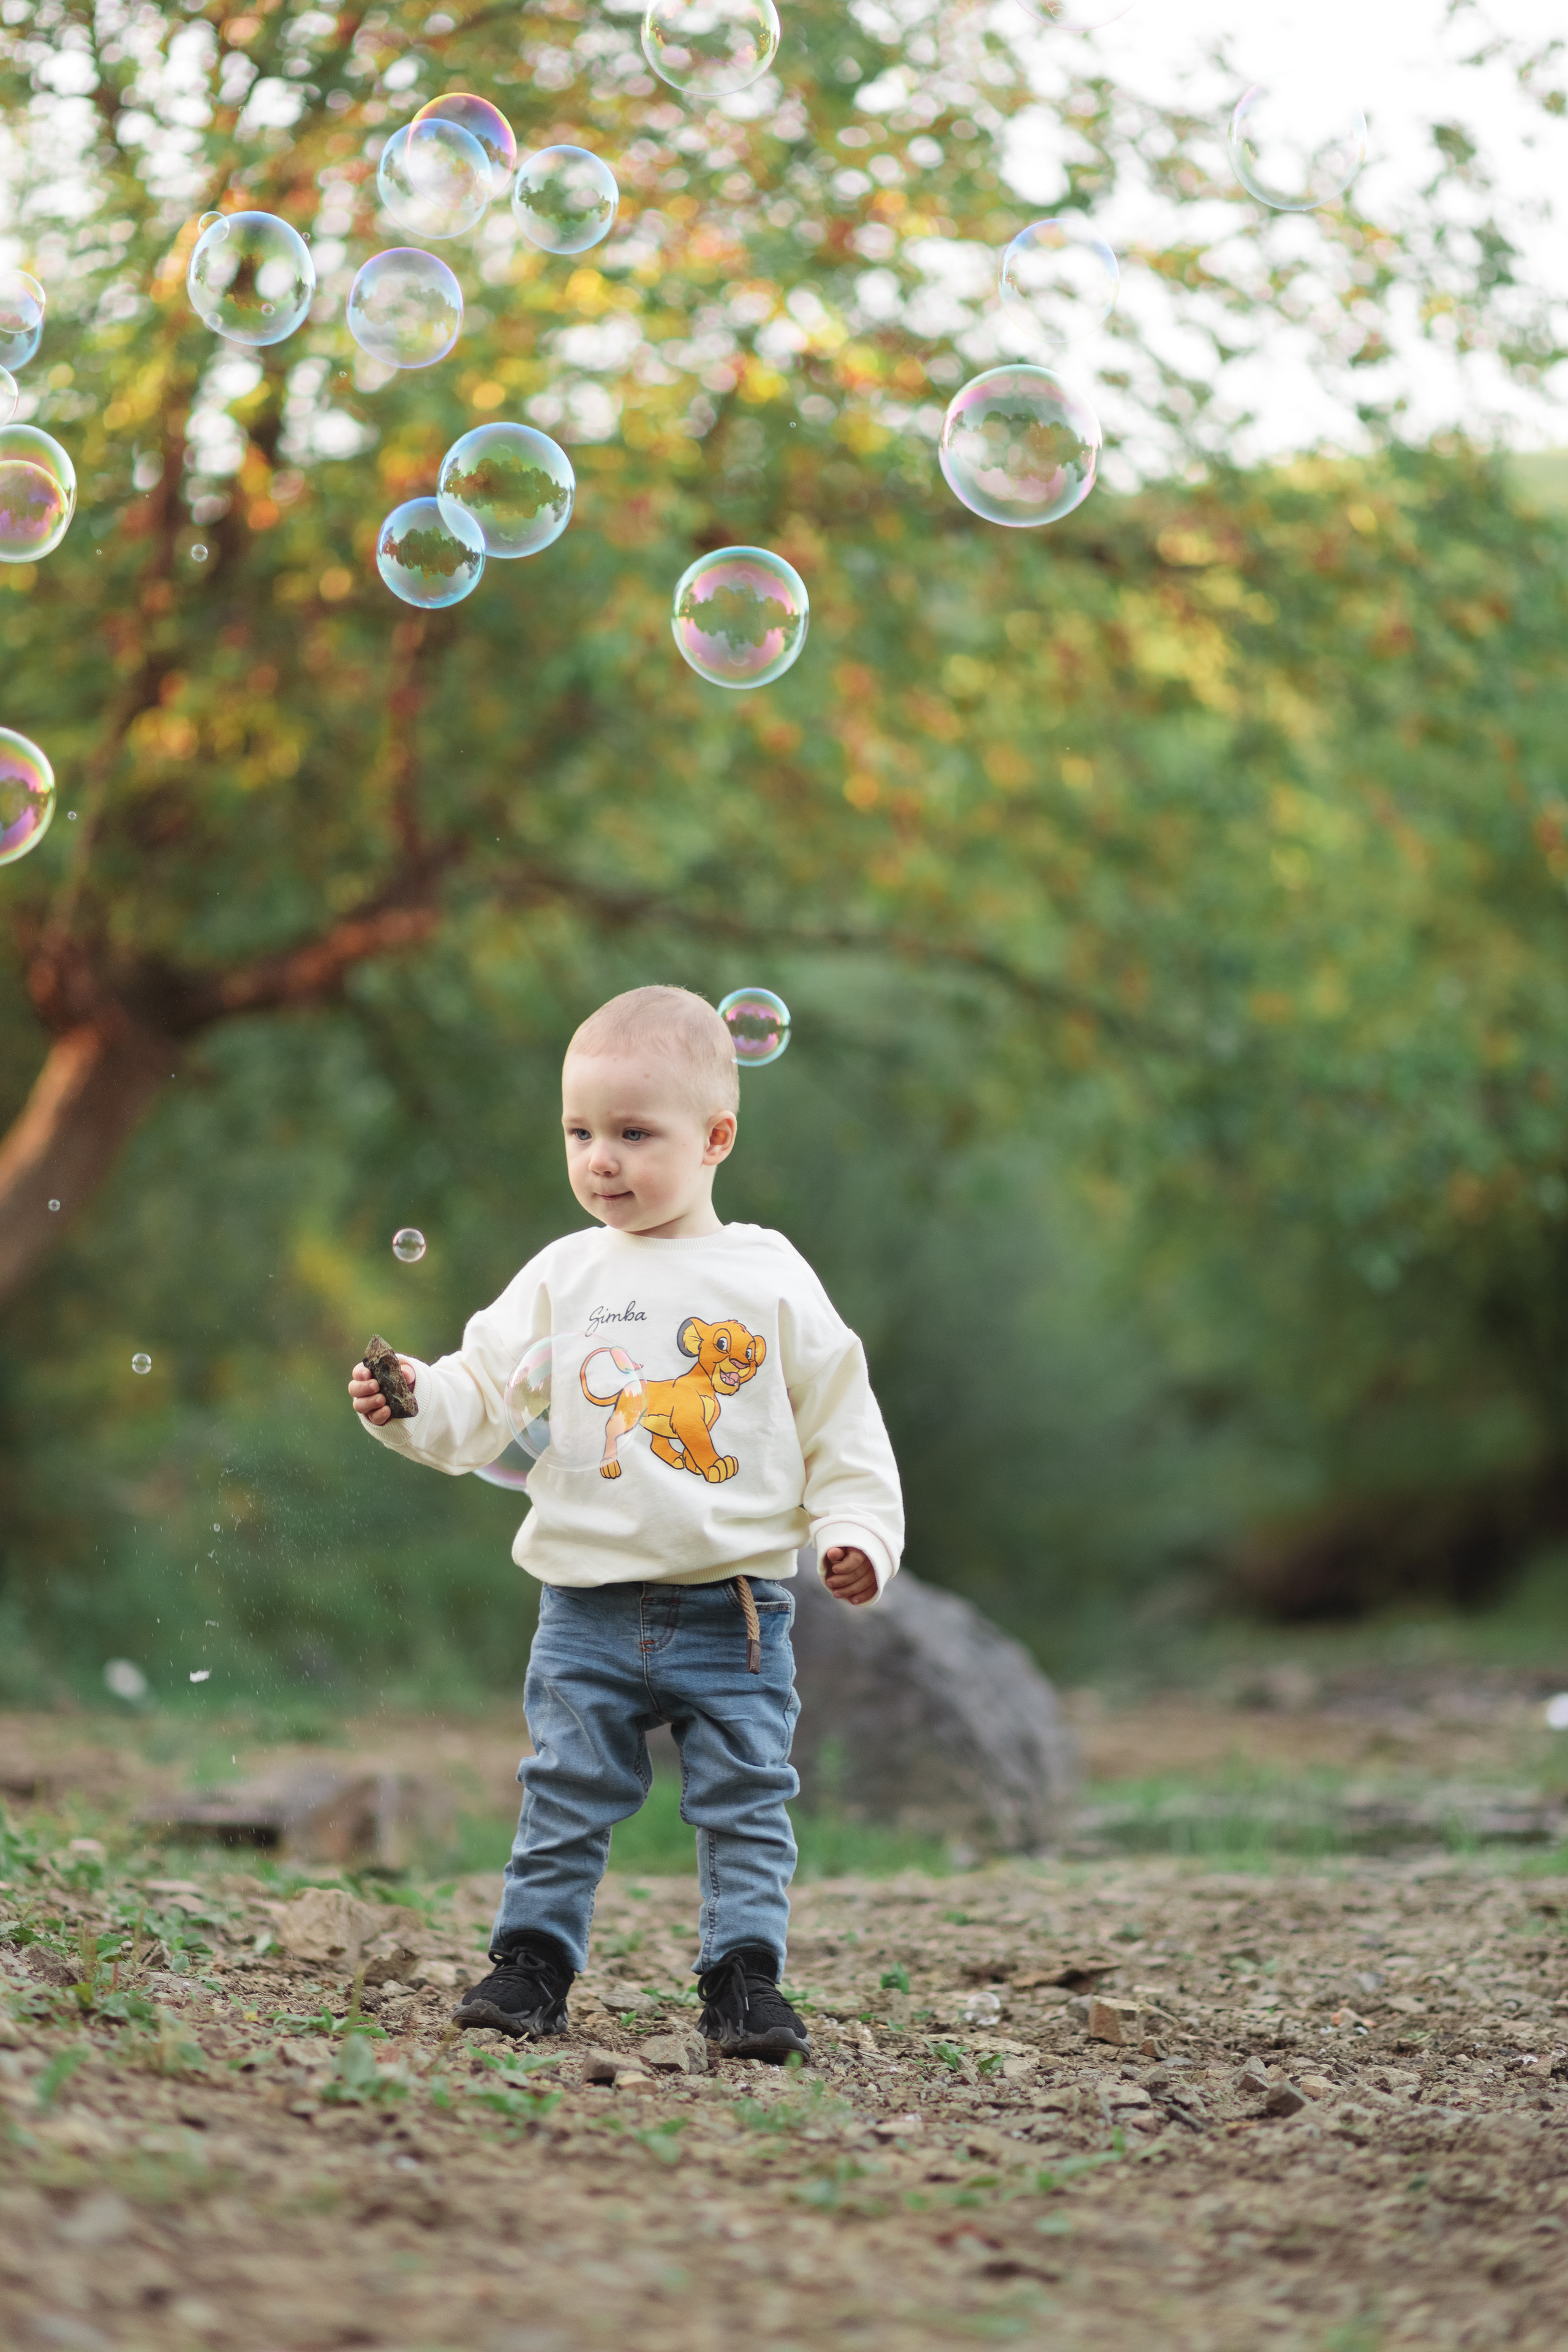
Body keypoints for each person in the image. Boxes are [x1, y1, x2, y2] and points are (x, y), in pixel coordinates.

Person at [347, 984, 903, 2063]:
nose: (602, 1159)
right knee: (563, 1790)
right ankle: (531, 1964)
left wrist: (855, 1532)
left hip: (735, 1611)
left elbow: (843, 1419)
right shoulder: (566, 1274)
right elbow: (484, 1395)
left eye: (634, 1133)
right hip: (586, 1607)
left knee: (746, 1801)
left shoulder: (767, 1277)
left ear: (716, 1138)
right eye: (581, 1132)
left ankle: (745, 1980)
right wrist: (416, 1401)